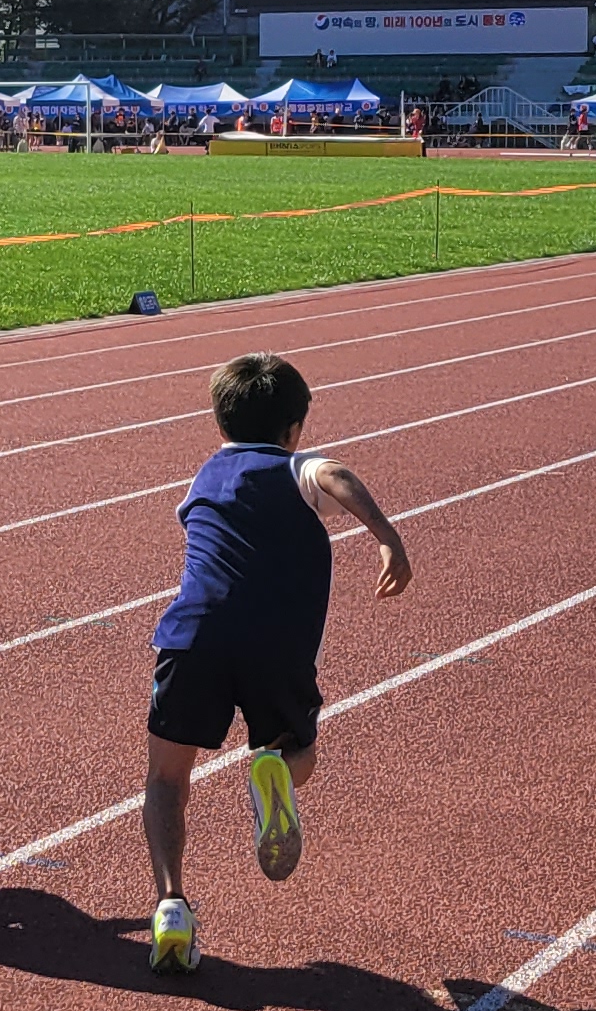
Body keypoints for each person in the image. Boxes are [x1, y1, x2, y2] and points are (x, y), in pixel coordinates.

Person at [143, 353, 414, 974]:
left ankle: (171, 907)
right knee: (298, 750)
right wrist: (386, 535)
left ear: (220, 425)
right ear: (294, 429)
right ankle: (278, 778)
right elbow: (335, 473)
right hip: (277, 647)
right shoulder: (296, 467)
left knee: (165, 779)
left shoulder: (205, 475)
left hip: (193, 638)